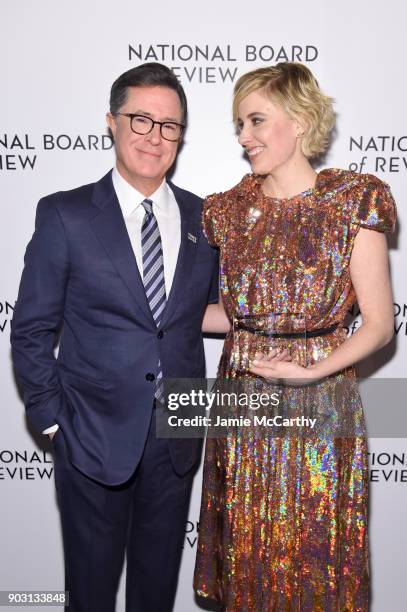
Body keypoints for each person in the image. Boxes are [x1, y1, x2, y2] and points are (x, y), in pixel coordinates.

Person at [11, 62, 218, 612]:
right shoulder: (66, 215)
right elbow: (31, 327)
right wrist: (53, 420)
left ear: (182, 134)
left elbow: (206, 312)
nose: (155, 137)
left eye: (169, 125)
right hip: (90, 438)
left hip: (177, 438)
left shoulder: (207, 219)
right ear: (112, 122)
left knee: (155, 596)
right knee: (91, 596)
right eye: (141, 120)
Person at [194, 62, 396, 611]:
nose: (244, 137)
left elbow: (380, 324)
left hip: (318, 403)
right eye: (239, 124)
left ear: (302, 121)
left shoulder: (352, 202)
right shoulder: (228, 211)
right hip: (242, 400)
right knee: (248, 555)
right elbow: (237, 316)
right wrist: (145, 312)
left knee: (314, 558)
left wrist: (312, 370)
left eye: (257, 120)